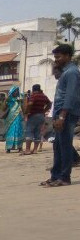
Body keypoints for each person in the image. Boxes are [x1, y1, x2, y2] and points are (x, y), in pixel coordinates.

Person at [45, 44, 80, 187]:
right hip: (59, 113)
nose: (56, 60)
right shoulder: (65, 72)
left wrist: (61, 116)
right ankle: (55, 176)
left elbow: (70, 96)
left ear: (67, 56)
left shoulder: (72, 72)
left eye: (58, 57)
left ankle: (64, 177)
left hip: (65, 114)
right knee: (58, 146)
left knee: (64, 146)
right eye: (55, 57)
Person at [23, 84, 51, 155]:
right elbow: (50, 104)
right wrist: (44, 111)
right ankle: (35, 150)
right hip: (41, 116)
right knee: (38, 132)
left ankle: (27, 150)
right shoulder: (44, 96)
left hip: (33, 115)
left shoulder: (34, 95)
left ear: (33, 90)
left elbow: (30, 104)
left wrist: (26, 112)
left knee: (29, 131)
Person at [2, 86, 25, 153]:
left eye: (17, 91)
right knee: (10, 132)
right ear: (12, 92)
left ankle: (20, 147)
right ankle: (8, 147)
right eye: (15, 91)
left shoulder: (20, 99)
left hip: (18, 118)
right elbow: (3, 108)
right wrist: (5, 100)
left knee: (18, 131)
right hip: (10, 118)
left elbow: (23, 109)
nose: (17, 92)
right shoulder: (9, 100)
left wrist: (23, 101)